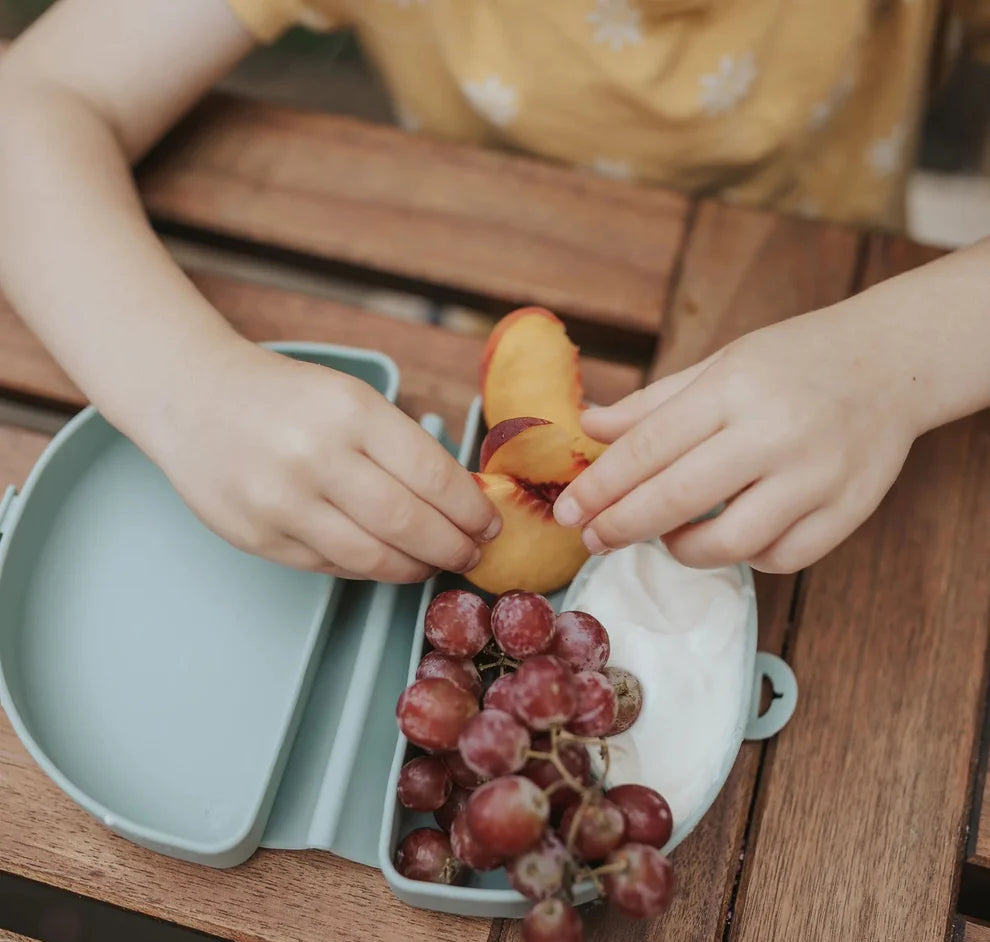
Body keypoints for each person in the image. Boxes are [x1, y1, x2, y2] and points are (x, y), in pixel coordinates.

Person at [0, 0, 987, 583]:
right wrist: (192, 390)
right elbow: (28, 108)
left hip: (856, 388)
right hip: (468, 353)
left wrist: (897, 361)